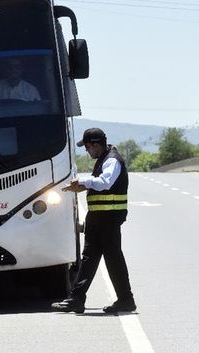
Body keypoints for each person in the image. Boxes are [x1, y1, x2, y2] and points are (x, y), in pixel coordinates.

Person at [52, 128, 136, 314]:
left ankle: (126, 299)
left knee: (113, 260)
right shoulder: (103, 159)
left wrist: (83, 181)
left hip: (108, 219)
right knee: (89, 259)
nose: (87, 150)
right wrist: (81, 187)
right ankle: (76, 299)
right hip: (98, 219)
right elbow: (100, 185)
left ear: (96, 145)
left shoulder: (112, 160)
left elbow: (105, 182)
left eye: (88, 147)